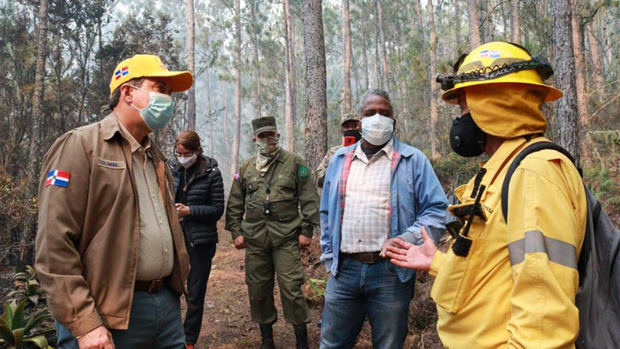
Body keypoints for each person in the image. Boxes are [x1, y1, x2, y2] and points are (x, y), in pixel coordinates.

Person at [385, 41, 587, 348]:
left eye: (465, 105)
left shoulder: (534, 173)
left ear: (494, 101)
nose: (460, 117)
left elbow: (544, 319)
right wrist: (437, 263)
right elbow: (494, 265)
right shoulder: (504, 166)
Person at [35, 54, 193, 349]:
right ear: (128, 93)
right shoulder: (81, 146)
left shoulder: (155, 157)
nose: (167, 100)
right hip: (106, 313)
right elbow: (53, 245)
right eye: (160, 88)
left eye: (170, 93)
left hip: (165, 309)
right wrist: (85, 323)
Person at [319, 89, 448, 349]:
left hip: (390, 273)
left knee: (389, 344)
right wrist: (329, 257)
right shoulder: (340, 160)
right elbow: (326, 212)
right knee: (332, 343)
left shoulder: (413, 160)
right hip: (343, 271)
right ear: (359, 121)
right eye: (370, 113)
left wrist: (405, 239)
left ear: (394, 121)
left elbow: (437, 210)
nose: (377, 118)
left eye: (384, 113)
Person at [225, 117, 320, 349]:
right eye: (262, 136)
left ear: (277, 136)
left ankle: (301, 340)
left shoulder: (295, 163)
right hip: (256, 239)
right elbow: (235, 201)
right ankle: (267, 339)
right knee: (258, 289)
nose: (267, 140)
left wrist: (306, 230)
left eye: (271, 135)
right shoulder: (246, 167)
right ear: (255, 138)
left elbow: (309, 198)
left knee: (291, 289)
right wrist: (236, 231)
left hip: (286, 237)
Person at [171, 130, 224, 349]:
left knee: (195, 291)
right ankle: (170, 334)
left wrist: (190, 211)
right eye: (178, 153)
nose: (182, 157)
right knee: (171, 288)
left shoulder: (211, 173)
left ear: (196, 151)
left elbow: (217, 209)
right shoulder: (171, 169)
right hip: (174, 237)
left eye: (186, 153)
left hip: (201, 241)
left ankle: (189, 339)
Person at [314, 113, 361, 188]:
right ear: (342, 131)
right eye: (347, 127)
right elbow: (319, 178)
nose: (351, 129)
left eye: (354, 126)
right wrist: (335, 167)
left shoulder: (367, 150)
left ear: (360, 128)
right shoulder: (334, 152)